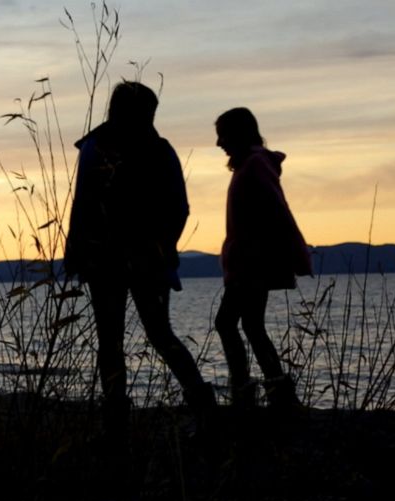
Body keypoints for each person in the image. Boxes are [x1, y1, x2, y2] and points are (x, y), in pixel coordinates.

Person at [65, 82, 216, 431]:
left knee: (129, 339)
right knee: (146, 337)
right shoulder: (139, 150)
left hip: (119, 261)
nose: (150, 118)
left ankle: (122, 421)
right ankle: (188, 409)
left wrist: (78, 252)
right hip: (116, 261)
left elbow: (82, 206)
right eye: (148, 112)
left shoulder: (99, 149)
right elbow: (84, 204)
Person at [213, 107, 311, 411]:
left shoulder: (255, 165)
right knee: (251, 326)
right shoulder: (250, 165)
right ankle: (279, 396)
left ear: (238, 134)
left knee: (227, 323)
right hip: (249, 263)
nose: (219, 144)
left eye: (223, 136)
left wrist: (296, 255)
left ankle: (247, 393)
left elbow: (278, 211)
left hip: (252, 265)